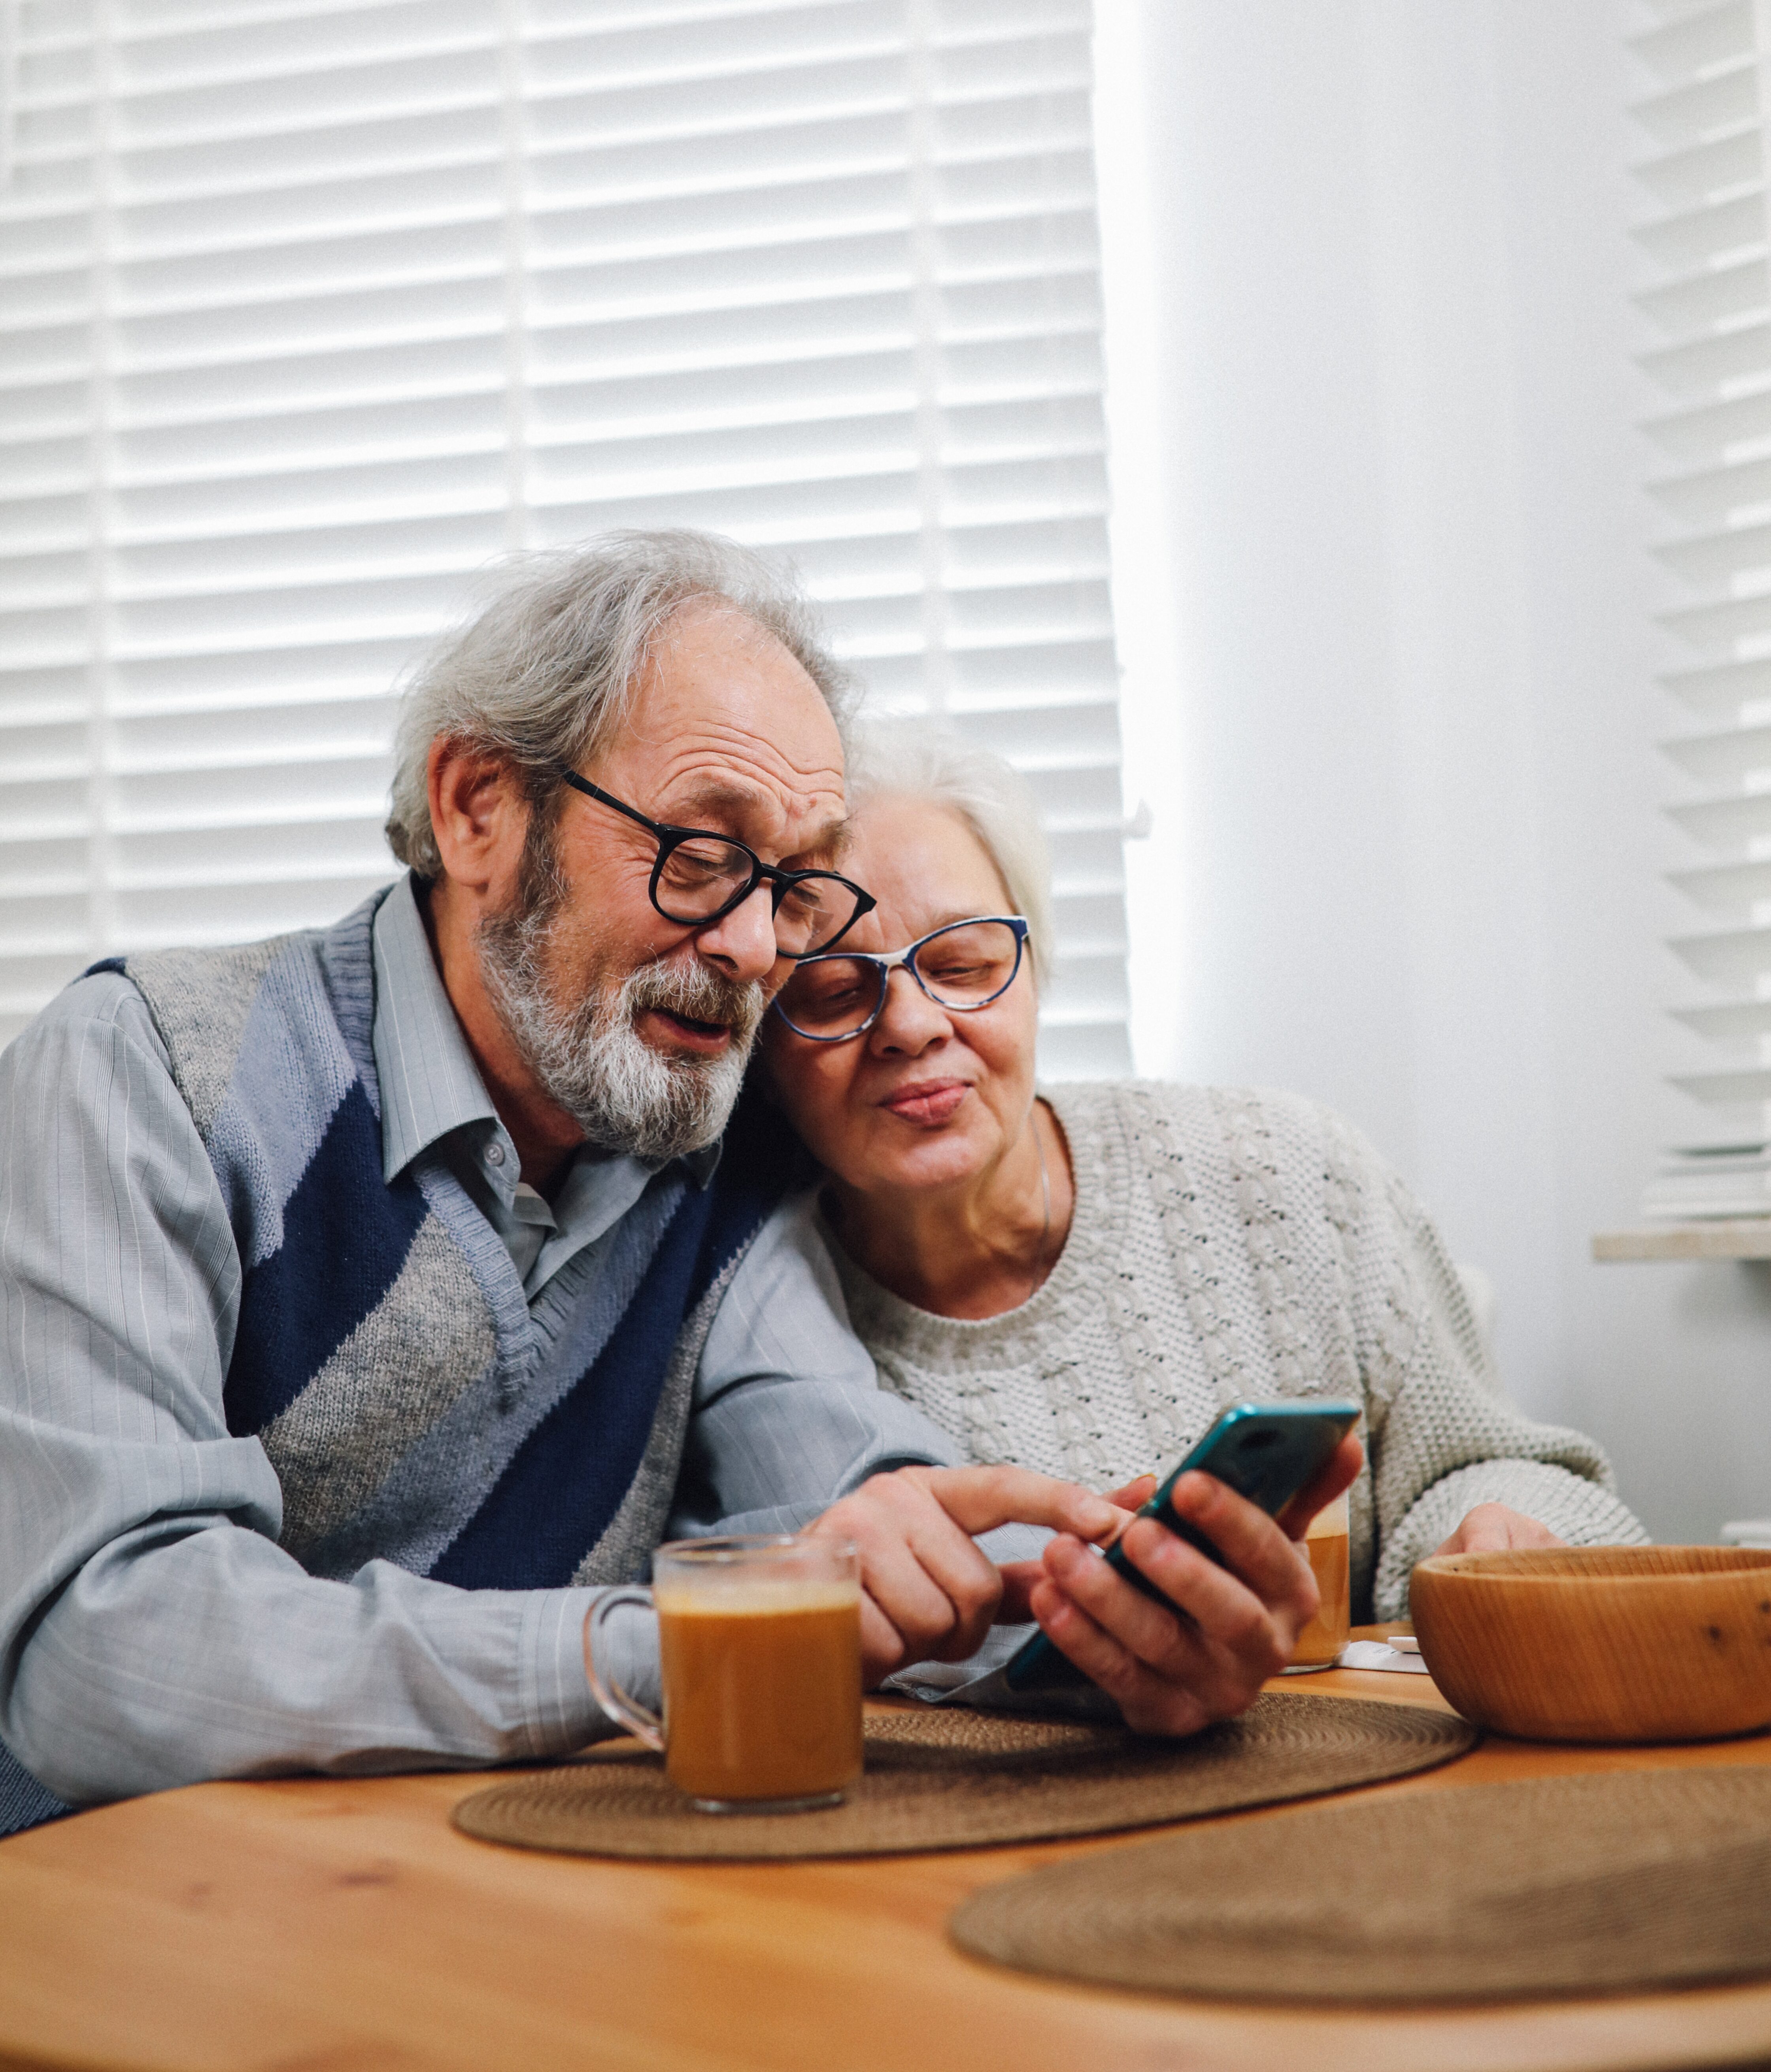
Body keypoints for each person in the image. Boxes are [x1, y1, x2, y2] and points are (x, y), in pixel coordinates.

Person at [0, 532, 1341, 1818]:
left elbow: (852, 1512)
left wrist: (1104, 1631)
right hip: (125, 1933)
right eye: (704, 857)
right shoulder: (146, 1077)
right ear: (480, 808)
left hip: (528, 1926)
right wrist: (673, 1647)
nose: (761, 945)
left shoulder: (716, 1144)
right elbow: (105, 1649)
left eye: (800, 886)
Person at [758, 719, 1647, 1725]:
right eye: (832, 991)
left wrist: (1494, 1533)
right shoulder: (750, 1323)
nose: (913, 1025)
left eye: (964, 964)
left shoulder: (1286, 1171)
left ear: (1037, 971)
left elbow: (1498, 1463)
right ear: (759, 1046)